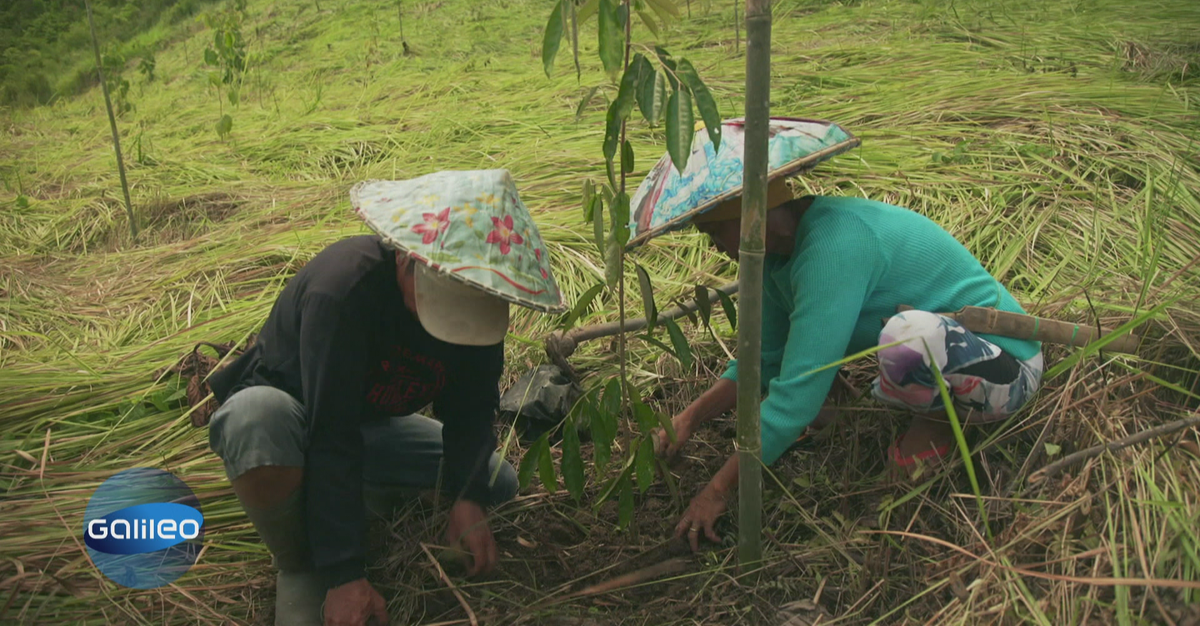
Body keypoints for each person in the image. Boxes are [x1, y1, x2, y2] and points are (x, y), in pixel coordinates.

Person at [629, 119, 1043, 553]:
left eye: (715, 230)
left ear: (750, 213)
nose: (713, 245)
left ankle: (939, 426)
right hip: (950, 364)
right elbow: (764, 360)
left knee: (908, 338)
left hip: (1006, 369)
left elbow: (796, 398)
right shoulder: (774, 261)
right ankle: (920, 409)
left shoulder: (833, 246)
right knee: (826, 378)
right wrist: (689, 419)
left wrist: (716, 491)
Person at [207, 170, 564, 626]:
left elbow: (472, 406)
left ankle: (351, 504)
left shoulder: (477, 297)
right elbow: (330, 432)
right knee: (256, 420)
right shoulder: (343, 292)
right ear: (406, 257)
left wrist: (465, 496)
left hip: (368, 427)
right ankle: (299, 559)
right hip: (298, 423)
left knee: (495, 482)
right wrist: (343, 574)